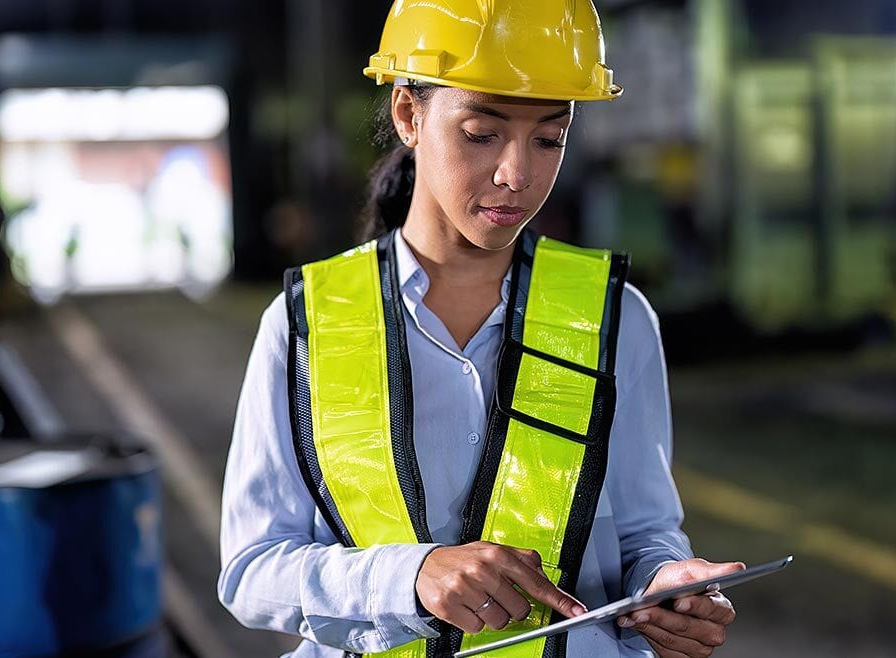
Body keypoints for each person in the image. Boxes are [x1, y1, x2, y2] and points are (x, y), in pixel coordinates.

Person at [219, 1, 744, 656]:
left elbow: (642, 533)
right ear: (410, 115)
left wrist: (669, 585)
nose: (517, 175)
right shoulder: (308, 325)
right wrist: (409, 576)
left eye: (550, 139)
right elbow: (251, 572)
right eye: (481, 133)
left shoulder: (614, 320)